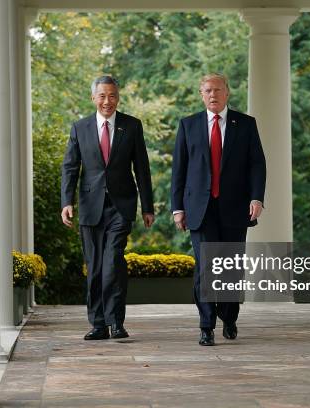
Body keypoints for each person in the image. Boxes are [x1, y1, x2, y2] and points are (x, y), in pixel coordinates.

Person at [171, 73, 266, 346]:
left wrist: (256, 198)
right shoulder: (188, 125)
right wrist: (177, 208)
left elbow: (257, 164)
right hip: (199, 208)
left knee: (230, 267)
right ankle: (206, 325)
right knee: (205, 267)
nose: (212, 95)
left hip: (235, 208)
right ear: (201, 94)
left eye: (217, 90)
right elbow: (179, 169)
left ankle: (230, 316)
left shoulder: (246, 124)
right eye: (207, 90)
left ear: (227, 93)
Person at [61, 75, 155, 341]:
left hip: (121, 206)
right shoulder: (80, 128)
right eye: (102, 96)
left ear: (118, 97)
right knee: (96, 267)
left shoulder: (132, 126)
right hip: (90, 208)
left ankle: (116, 322)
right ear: (93, 98)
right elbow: (70, 167)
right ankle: (98, 323)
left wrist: (147, 207)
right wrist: (66, 202)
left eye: (112, 95)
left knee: (113, 262)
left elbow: (142, 169)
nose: (107, 101)